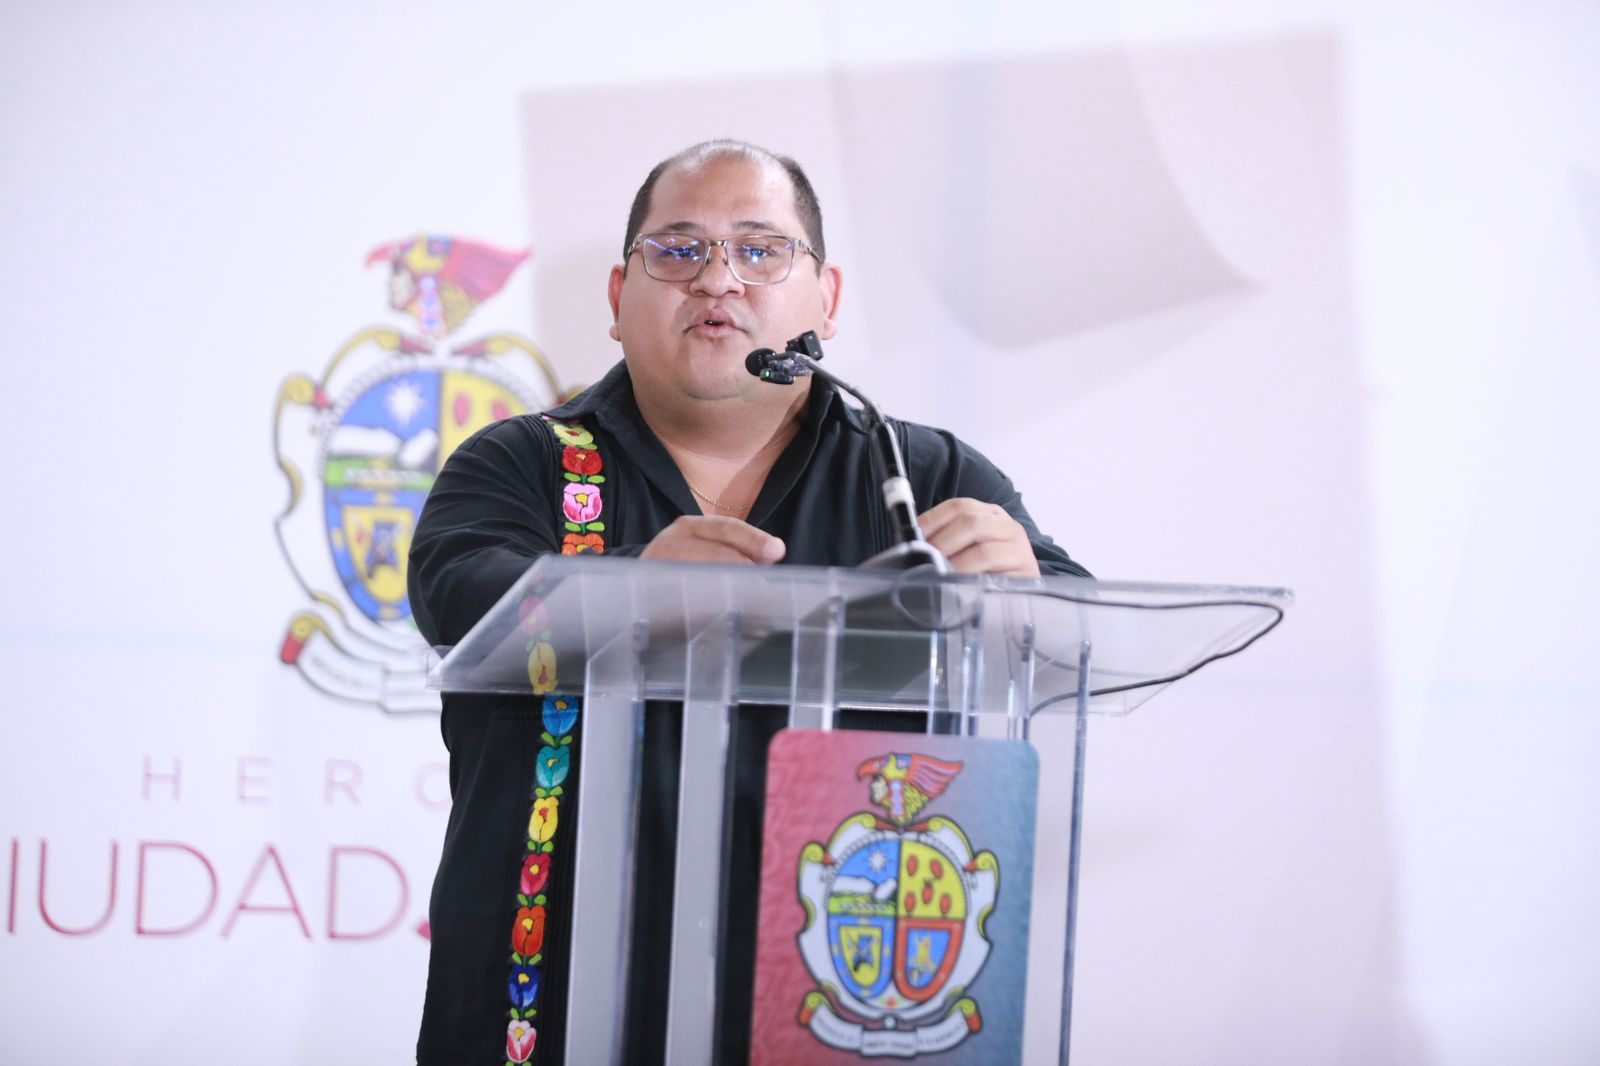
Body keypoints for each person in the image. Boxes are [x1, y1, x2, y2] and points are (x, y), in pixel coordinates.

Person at [408, 139, 1088, 1065]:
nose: (718, 278)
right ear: (618, 297)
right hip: (556, 999)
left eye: (761, 250)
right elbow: (459, 594)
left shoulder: (918, 476)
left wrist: (1026, 590)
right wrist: (633, 586)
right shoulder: (521, 464)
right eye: (678, 250)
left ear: (827, 299)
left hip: (838, 997)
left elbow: (1077, 634)